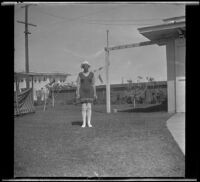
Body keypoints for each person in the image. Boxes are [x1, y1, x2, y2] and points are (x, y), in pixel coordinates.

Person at [76, 61, 97, 128]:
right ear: (83, 67)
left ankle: (89, 122)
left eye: (87, 65)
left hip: (90, 92)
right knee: (83, 107)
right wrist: (77, 92)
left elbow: (93, 84)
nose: (86, 67)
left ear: (88, 66)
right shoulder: (80, 74)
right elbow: (78, 84)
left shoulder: (92, 74)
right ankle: (84, 123)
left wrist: (95, 93)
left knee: (89, 107)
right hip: (82, 92)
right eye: (84, 65)